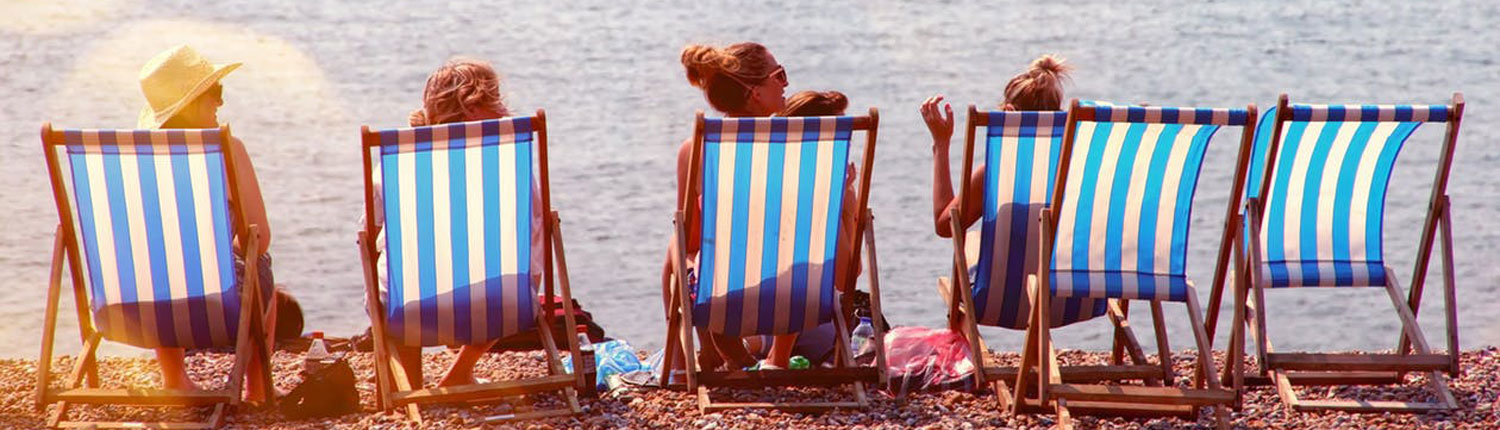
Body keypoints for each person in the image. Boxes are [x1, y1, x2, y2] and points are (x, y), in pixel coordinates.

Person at [666, 43, 860, 371]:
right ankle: (774, 358)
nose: (786, 84)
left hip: (720, 298)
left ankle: (682, 364)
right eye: (779, 75)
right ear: (755, 92)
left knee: (676, 243)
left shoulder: (695, 149)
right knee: (796, 247)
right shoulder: (796, 145)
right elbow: (837, 268)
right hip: (799, 295)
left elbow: (690, 241)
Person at [372, 57, 544, 388]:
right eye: (495, 99)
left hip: (411, 305)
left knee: (397, 260)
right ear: (474, 105)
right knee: (514, 260)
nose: (503, 109)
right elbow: (537, 221)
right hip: (503, 302)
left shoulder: (406, 156)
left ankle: (408, 381)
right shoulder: (507, 154)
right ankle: (460, 371)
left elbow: (374, 221)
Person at [136, 44, 281, 403]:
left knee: (157, 263)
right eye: (214, 93)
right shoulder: (228, 150)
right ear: (192, 101)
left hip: (133, 305)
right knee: (260, 267)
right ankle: (257, 391)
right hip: (214, 307)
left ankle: (175, 378)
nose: (220, 103)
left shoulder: (130, 156)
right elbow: (259, 239)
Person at [919, 54, 1072, 239]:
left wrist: (941, 144)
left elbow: (946, 227)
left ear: (1008, 114)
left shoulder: (995, 174)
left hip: (1006, 268)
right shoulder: (1074, 169)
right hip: (1062, 267)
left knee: (972, 244)